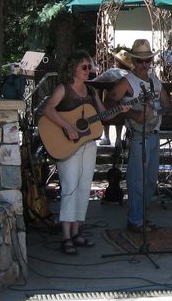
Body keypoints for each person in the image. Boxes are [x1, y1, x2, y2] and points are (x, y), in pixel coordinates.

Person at [42, 52, 127, 254]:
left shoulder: (91, 91)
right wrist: (68, 127)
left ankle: (76, 232)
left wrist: (119, 109)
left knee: (83, 187)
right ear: (73, 68)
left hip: (88, 144)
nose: (89, 70)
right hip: (66, 144)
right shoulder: (63, 89)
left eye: (90, 67)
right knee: (70, 188)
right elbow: (48, 110)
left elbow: (103, 115)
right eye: (84, 67)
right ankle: (66, 237)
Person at [108, 39, 171, 233]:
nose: (144, 64)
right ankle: (135, 220)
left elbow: (166, 103)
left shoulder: (154, 80)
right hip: (138, 135)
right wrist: (132, 114)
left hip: (154, 133)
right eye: (140, 61)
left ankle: (142, 216)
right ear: (133, 61)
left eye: (147, 60)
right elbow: (110, 104)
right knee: (137, 180)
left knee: (150, 180)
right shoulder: (127, 81)